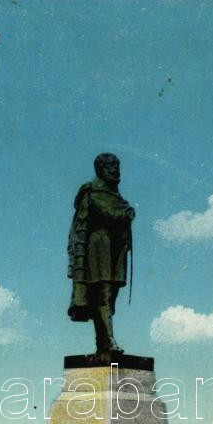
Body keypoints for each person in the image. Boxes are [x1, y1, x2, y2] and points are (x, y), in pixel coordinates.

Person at [67, 153, 135, 358]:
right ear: (100, 169)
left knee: (110, 295)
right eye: (110, 166)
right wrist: (127, 213)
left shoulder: (115, 194)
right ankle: (108, 340)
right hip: (100, 247)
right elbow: (112, 213)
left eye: (117, 165)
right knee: (103, 293)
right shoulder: (93, 192)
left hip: (116, 248)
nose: (115, 169)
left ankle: (103, 342)